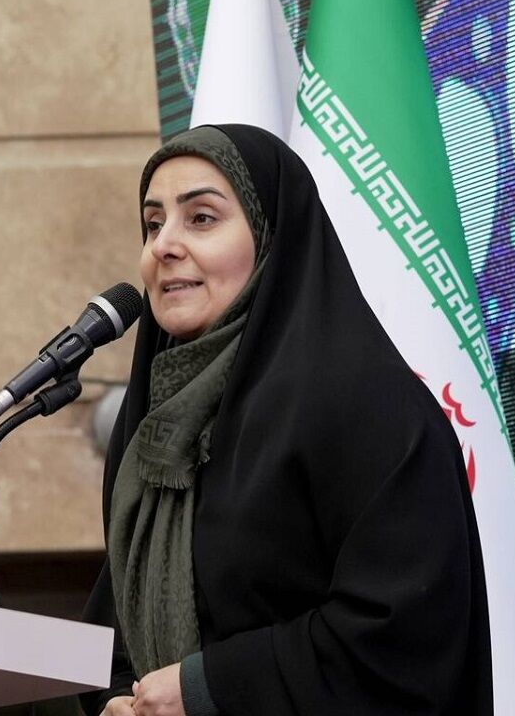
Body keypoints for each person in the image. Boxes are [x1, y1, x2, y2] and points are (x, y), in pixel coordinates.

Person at [81, 124, 492, 716]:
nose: (163, 245)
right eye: (152, 224)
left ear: (273, 235)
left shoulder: (364, 404)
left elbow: (404, 637)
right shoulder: (154, 427)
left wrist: (207, 689)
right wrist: (118, 696)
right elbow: (120, 618)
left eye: (201, 218)